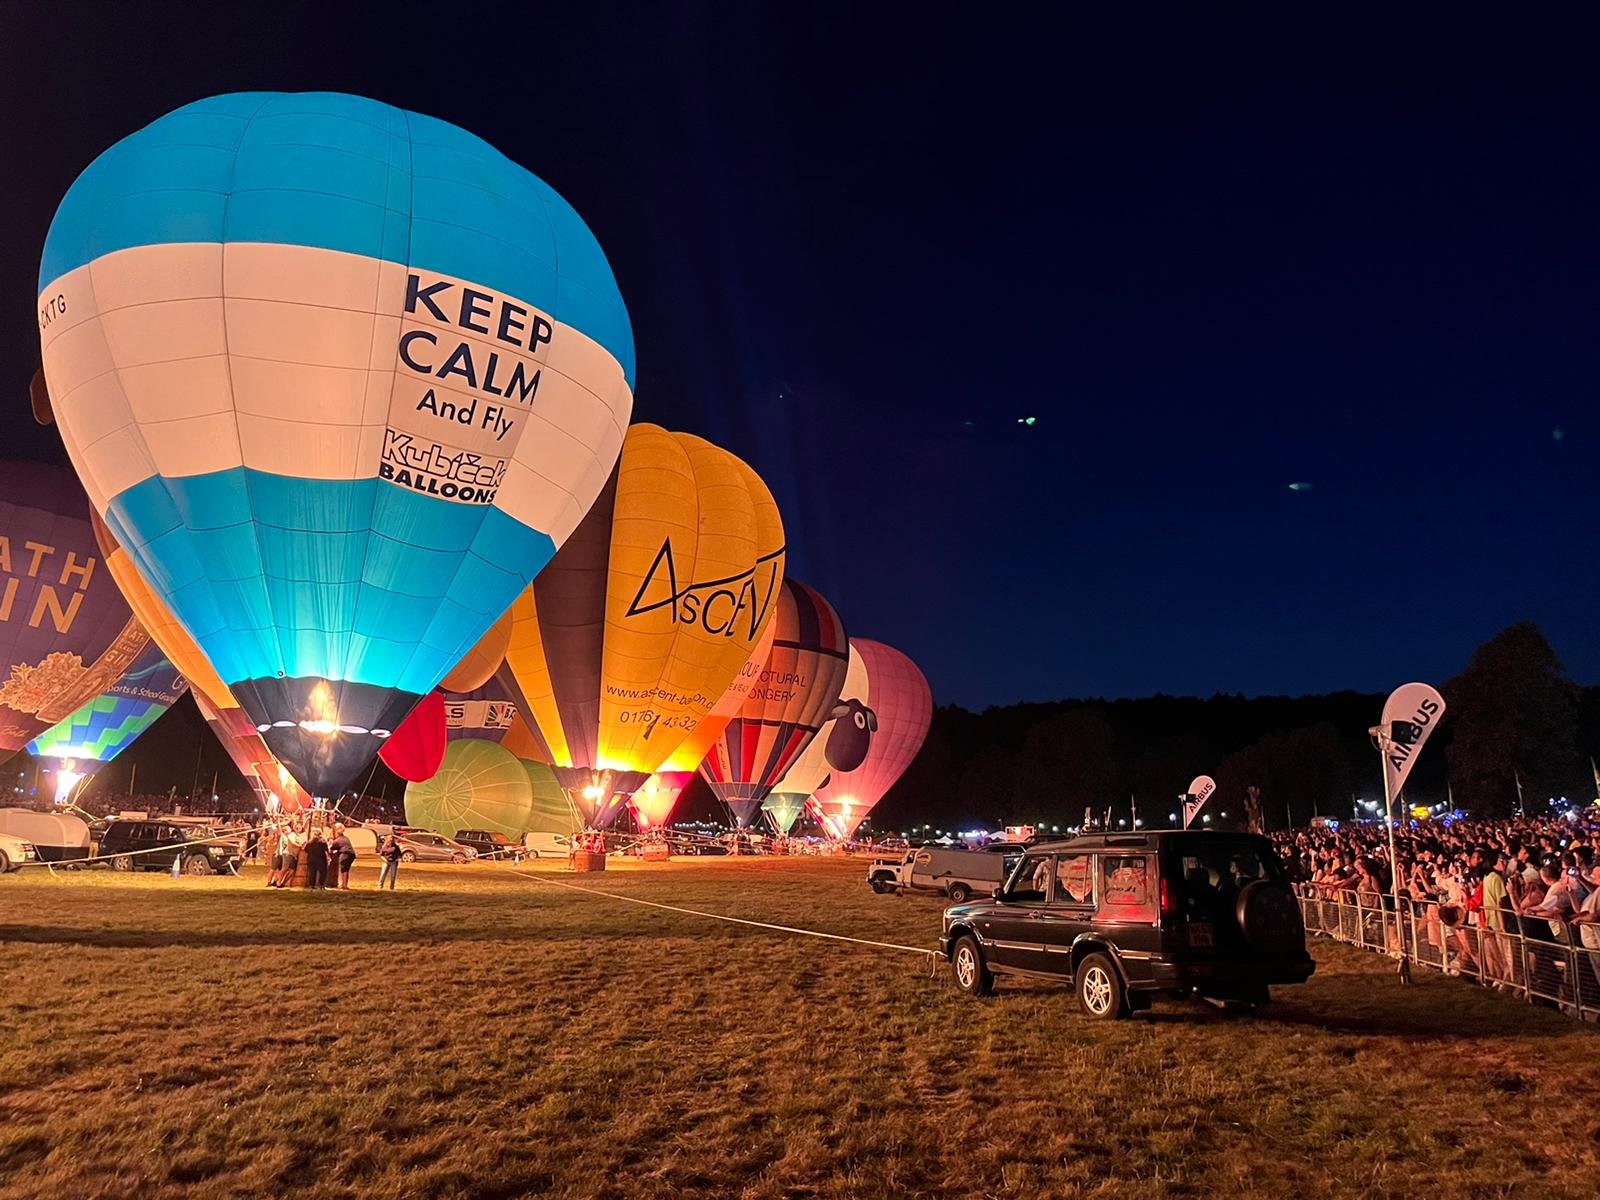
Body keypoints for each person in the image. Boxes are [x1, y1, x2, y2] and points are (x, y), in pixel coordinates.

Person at [330, 824, 355, 890]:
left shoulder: (337, 840)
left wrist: (331, 839)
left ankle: (344, 885)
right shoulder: (346, 838)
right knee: (346, 869)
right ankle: (345, 884)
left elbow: (331, 848)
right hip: (352, 854)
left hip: (345, 854)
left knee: (343, 870)